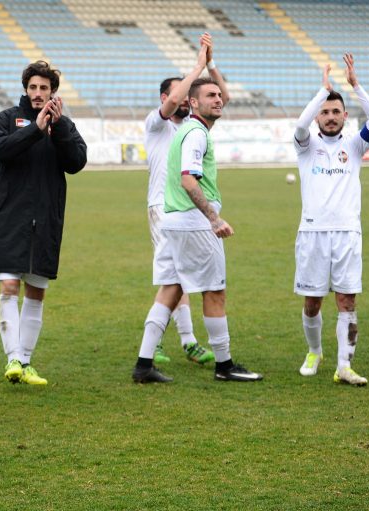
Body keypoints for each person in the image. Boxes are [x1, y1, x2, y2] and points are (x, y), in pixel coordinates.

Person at [131, 77, 263, 384]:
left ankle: (143, 365)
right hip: (194, 224)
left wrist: (210, 66)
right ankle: (224, 365)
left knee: (170, 289)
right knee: (214, 291)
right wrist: (213, 219)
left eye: (218, 95)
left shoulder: (186, 130)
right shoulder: (195, 133)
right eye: (210, 95)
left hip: (174, 222)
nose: (218, 99)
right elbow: (188, 179)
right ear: (193, 102)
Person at [0, 61, 87, 386]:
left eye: (44, 88)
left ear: (52, 91)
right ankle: (13, 358)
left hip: (46, 220)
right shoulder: (7, 119)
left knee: (36, 292)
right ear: (26, 89)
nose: (38, 93)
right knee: (8, 287)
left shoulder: (64, 125)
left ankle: (26, 362)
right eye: (33, 87)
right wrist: (35, 129)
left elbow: (77, 162)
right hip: (10, 217)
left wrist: (58, 128)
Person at [293, 54, 369, 386]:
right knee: (312, 302)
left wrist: (355, 86)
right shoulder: (306, 145)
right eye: (325, 112)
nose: (330, 117)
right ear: (318, 115)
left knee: (347, 300)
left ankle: (344, 366)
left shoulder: (355, 145)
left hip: (347, 233)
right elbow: (299, 126)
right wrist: (323, 91)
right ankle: (314, 351)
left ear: (345, 116)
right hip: (313, 233)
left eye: (335, 112)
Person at [144, 34, 228, 366]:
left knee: (177, 280)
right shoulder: (157, 124)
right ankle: (179, 341)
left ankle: (171, 343)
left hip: (185, 209)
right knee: (176, 279)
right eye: (178, 92)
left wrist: (210, 65)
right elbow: (178, 99)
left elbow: (223, 99)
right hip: (164, 206)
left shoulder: (194, 126)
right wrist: (196, 68)